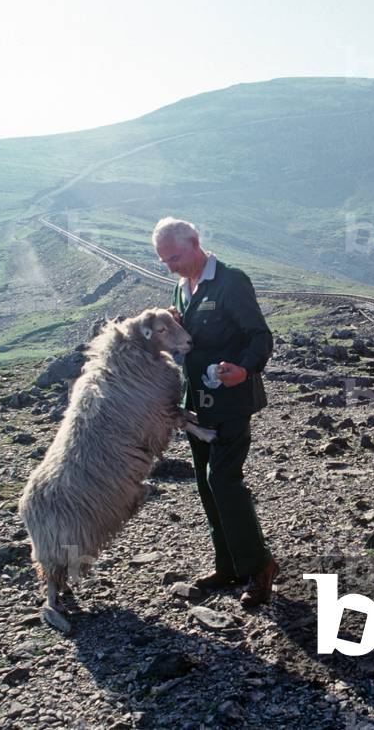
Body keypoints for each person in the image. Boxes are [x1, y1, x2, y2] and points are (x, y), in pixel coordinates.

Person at [152, 217, 279, 607]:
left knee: (223, 479)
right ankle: (228, 565)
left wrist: (244, 368)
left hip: (231, 401)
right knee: (207, 485)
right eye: (165, 261)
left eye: (174, 257)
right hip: (196, 405)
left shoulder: (231, 281)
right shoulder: (180, 287)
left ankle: (260, 567)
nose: (170, 266)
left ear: (194, 242)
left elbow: (260, 335)